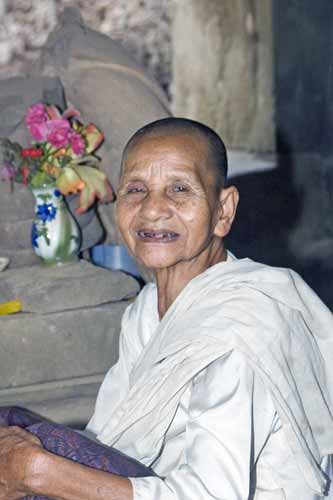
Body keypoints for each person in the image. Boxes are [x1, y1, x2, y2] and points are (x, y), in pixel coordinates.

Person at [0, 117, 333, 500]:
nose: (153, 209)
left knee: (31, 457)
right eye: (136, 189)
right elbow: (110, 438)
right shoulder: (145, 310)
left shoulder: (241, 327)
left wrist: (39, 474)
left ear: (223, 210)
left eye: (179, 189)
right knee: (11, 425)